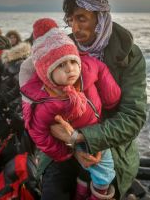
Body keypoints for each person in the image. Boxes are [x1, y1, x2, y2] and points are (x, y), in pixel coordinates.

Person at [21, 0, 147, 199]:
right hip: (60, 148)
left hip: (111, 150)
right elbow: (32, 101)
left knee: (103, 185)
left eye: (81, 18)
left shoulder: (131, 56)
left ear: (100, 17)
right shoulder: (59, 49)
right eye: (70, 20)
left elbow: (133, 117)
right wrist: (69, 143)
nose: (75, 28)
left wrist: (83, 138)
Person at [21, 18, 121, 199]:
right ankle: (83, 191)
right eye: (60, 65)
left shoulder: (87, 67)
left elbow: (102, 73)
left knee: (104, 172)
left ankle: (91, 193)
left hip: (96, 132)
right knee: (92, 172)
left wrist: (110, 98)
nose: (70, 70)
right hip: (69, 145)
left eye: (73, 62)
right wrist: (67, 152)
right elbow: (39, 133)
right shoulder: (46, 101)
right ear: (46, 72)